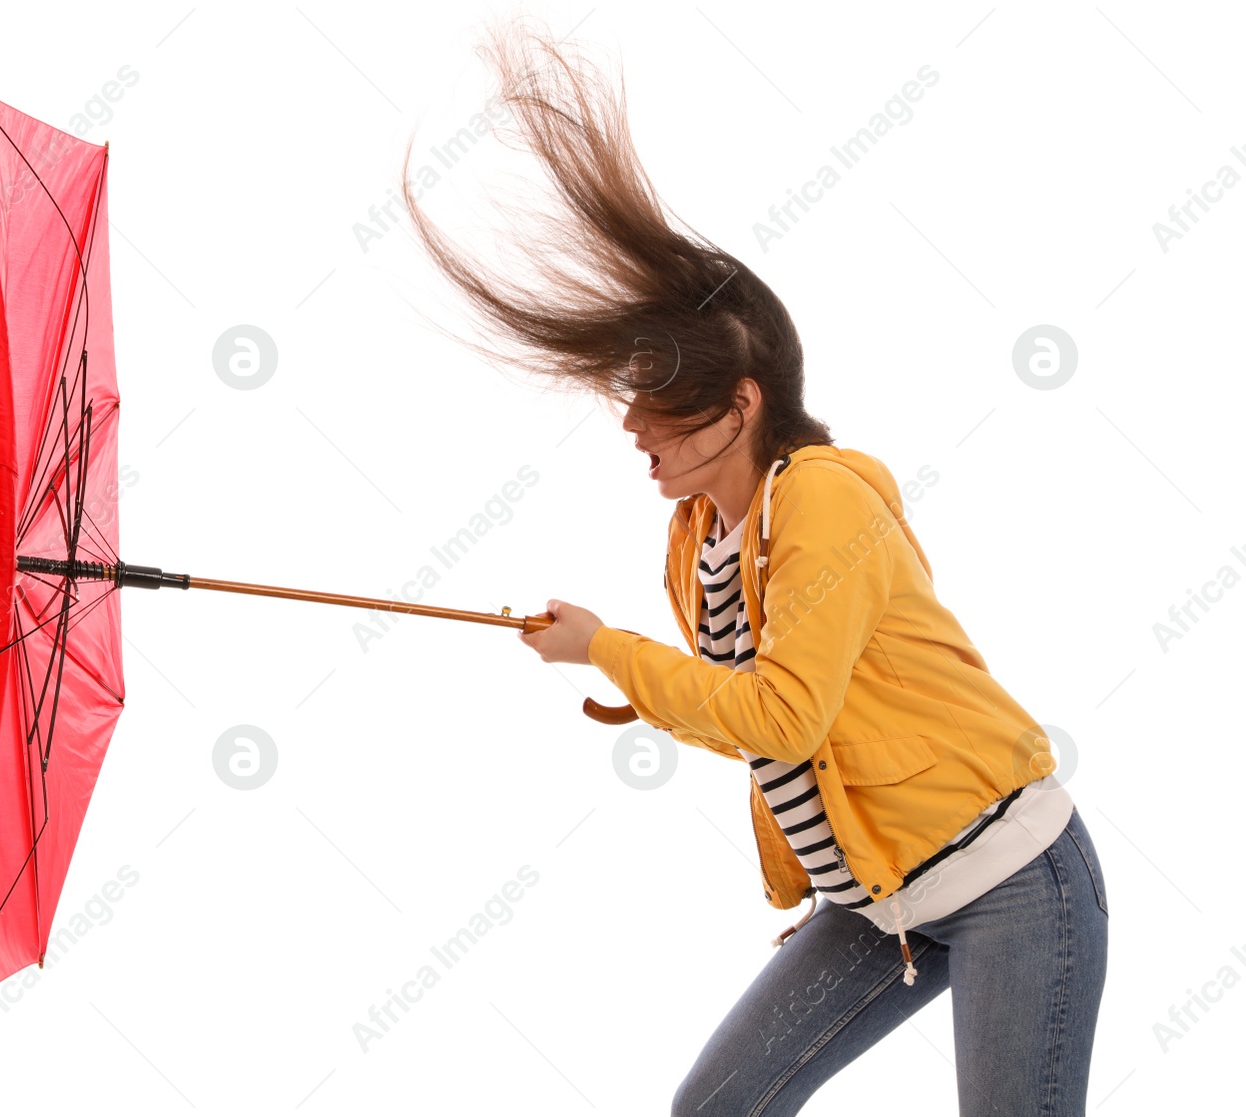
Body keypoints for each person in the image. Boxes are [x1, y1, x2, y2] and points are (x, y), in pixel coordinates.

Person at [401, 20, 1108, 1116]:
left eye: (662, 406)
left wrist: (614, 650)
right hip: (881, 900)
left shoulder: (822, 496)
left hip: (1013, 879)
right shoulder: (697, 538)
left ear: (740, 404)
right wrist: (623, 682)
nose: (634, 424)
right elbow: (760, 711)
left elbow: (780, 715)